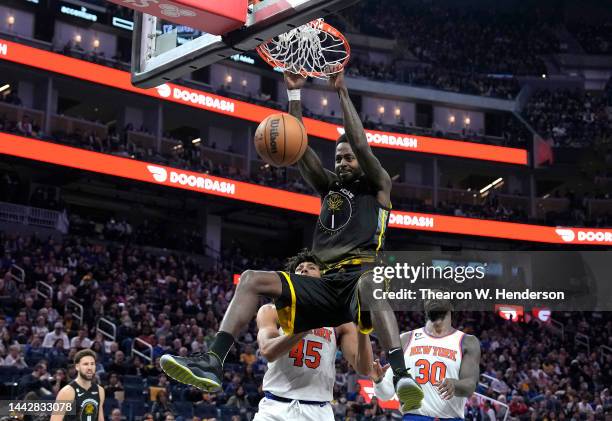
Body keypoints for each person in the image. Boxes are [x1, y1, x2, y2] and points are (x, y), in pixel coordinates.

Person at [159, 66, 423, 410]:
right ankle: (213, 360)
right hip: (325, 285)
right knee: (252, 280)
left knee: (372, 286)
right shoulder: (330, 189)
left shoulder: (379, 186)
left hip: (359, 277)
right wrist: (295, 95)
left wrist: (341, 92)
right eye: (338, 158)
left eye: (348, 158)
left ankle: (401, 374)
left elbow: (360, 142)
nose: (342, 162)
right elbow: (297, 148)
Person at [253, 251, 373, 420]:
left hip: (318, 411)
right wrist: (307, 324)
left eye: (311, 267)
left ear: (323, 278)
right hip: (275, 408)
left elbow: (364, 368)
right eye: (299, 268)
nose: (304, 270)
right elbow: (268, 351)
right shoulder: (271, 311)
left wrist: (363, 325)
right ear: (291, 278)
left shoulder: (340, 323)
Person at [371, 297, 481, 417]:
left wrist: (455, 385)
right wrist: (378, 381)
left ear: (451, 306)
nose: (433, 299)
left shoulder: (467, 341)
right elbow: (385, 394)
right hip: (414, 417)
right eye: (428, 298)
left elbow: (470, 385)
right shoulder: (405, 339)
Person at [50, 349, 105, 421]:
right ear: (77, 367)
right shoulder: (67, 391)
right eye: (85, 364)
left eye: (92, 364)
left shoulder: (100, 390)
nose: (90, 368)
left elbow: (100, 418)